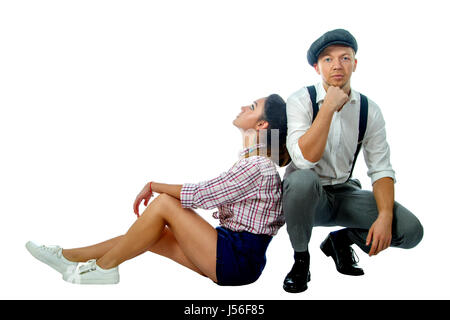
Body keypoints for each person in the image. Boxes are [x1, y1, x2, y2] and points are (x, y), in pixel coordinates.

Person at [26, 94, 291, 286]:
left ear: (261, 125)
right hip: (231, 255)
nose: (244, 105)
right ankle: (66, 257)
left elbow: (201, 195)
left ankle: (105, 269)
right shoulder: (253, 162)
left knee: (165, 203)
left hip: (236, 260)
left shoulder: (258, 166)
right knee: (149, 235)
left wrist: (153, 186)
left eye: (253, 106)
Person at [282, 29, 424, 293]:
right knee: (302, 179)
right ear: (316, 67)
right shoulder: (300, 101)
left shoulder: (369, 110)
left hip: (346, 193)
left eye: (345, 58)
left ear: (355, 64)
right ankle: (301, 259)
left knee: (410, 230)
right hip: (308, 200)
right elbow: (303, 160)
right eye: (328, 59)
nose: (337, 65)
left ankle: (341, 240)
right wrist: (327, 107)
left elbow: (381, 169)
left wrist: (384, 215)